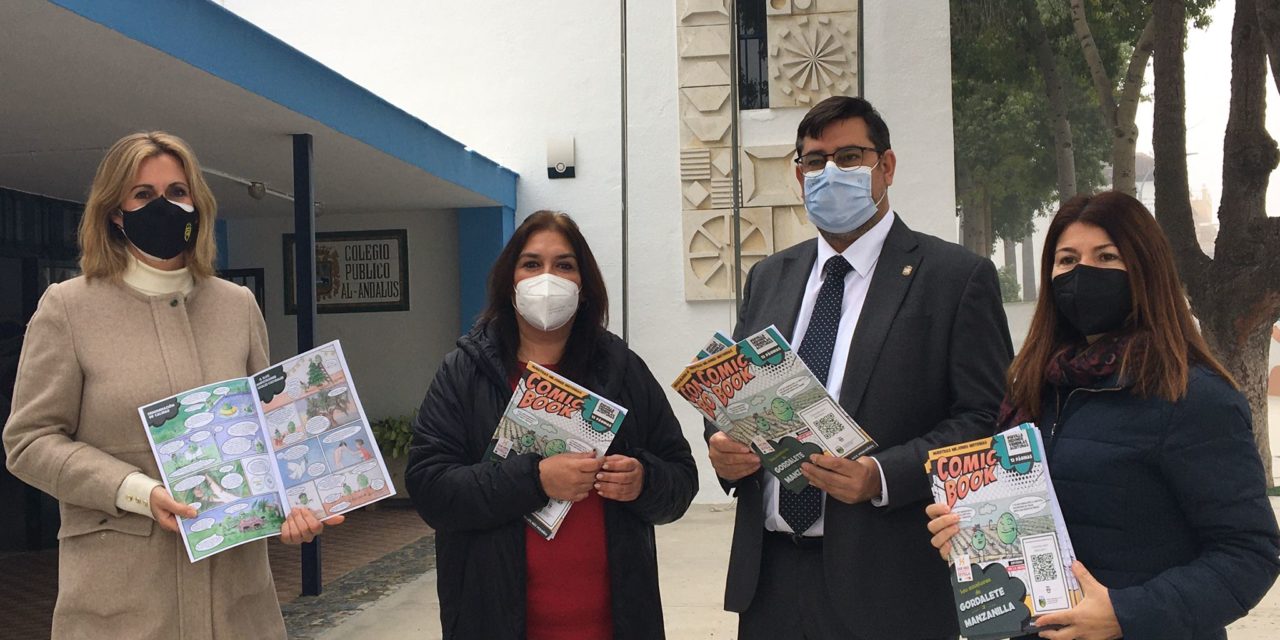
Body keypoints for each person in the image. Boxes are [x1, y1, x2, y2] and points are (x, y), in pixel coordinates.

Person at [2, 132, 340, 639]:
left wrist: (297, 503)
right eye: (143, 195)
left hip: (235, 601)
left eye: (178, 191)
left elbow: (267, 433)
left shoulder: (237, 307)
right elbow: (29, 442)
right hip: (123, 601)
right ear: (115, 212)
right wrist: (135, 491)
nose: (164, 206)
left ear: (197, 203)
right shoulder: (68, 308)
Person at [705, 96, 1013, 639]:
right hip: (771, 580)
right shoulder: (770, 276)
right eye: (815, 161)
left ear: (886, 166)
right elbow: (736, 389)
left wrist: (882, 476)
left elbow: (985, 420)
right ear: (797, 175)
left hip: (890, 584)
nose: (830, 173)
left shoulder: (954, 277)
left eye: (849, 157)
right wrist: (723, 446)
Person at [926, 192, 1280, 640]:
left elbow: (1249, 554)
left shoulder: (1192, 396)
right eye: (1067, 260)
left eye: (1106, 256)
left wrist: (1126, 614)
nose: (1082, 273)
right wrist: (971, 538)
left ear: (1145, 270)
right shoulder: (1034, 389)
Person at [407, 210, 698, 639]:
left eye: (564, 265)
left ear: (583, 287)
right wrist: (535, 478)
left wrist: (644, 481)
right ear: (510, 283)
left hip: (615, 624)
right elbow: (431, 490)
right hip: (493, 622)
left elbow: (680, 476)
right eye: (532, 264)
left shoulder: (622, 369)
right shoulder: (463, 373)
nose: (548, 278)